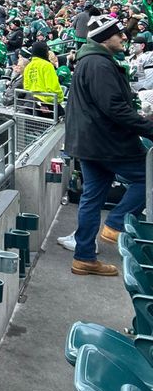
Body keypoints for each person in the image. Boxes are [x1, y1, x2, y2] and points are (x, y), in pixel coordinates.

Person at [64, 15, 153, 276]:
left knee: (92, 198)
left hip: (89, 143)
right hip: (106, 142)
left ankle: (84, 258)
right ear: (105, 39)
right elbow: (113, 107)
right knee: (148, 177)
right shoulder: (99, 64)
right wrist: (148, 128)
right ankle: (115, 224)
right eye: (118, 34)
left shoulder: (89, 61)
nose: (124, 37)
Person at [22, 42, 64, 115]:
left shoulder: (28, 67)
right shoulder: (47, 66)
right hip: (48, 105)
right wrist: (60, 99)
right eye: (47, 51)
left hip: (32, 103)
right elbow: (53, 88)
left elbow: (26, 87)